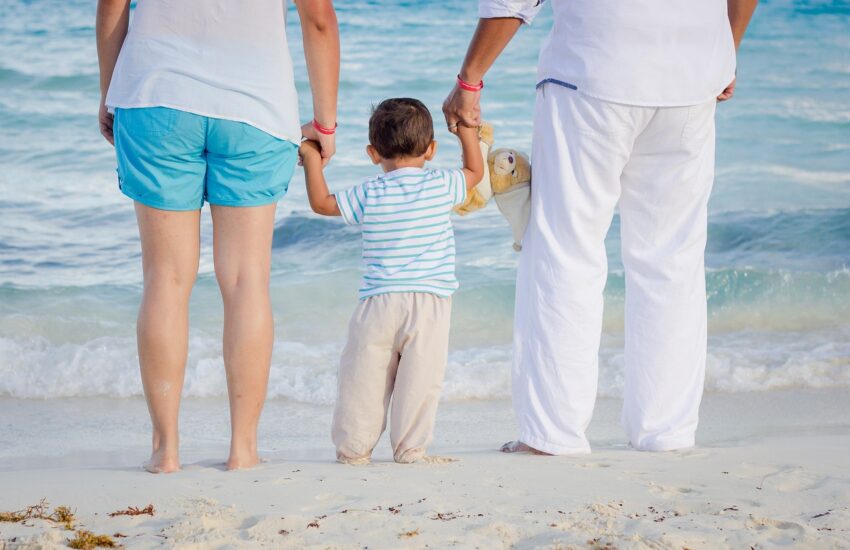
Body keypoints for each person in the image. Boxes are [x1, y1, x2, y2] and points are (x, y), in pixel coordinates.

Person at [444, 0, 758, 454]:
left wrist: (469, 79)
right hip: (691, 77)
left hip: (592, 72)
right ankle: (665, 431)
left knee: (566, 250)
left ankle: (553, 433)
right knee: (672, 258)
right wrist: (726, 48)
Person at [95, 0, 339, 472]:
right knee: (247, 281)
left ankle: (166, 451)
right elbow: (320, 20)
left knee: (165, 279)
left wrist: (110, 91)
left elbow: (111, 8)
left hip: (155, 96)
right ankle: (243, 449)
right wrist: (325, 122)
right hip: (256, 108)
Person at [300, 98, 484, 464]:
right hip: (430, 302)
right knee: (421, 379)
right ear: (430, 150)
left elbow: (321, 203)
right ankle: (410, 449)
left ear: (373, 153)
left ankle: (354, 449)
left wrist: (310, 156)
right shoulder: (443, 185)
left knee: (363, 377)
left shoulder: (369, 192)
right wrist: (467, 131)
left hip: (378, 302)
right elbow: (475, 172)